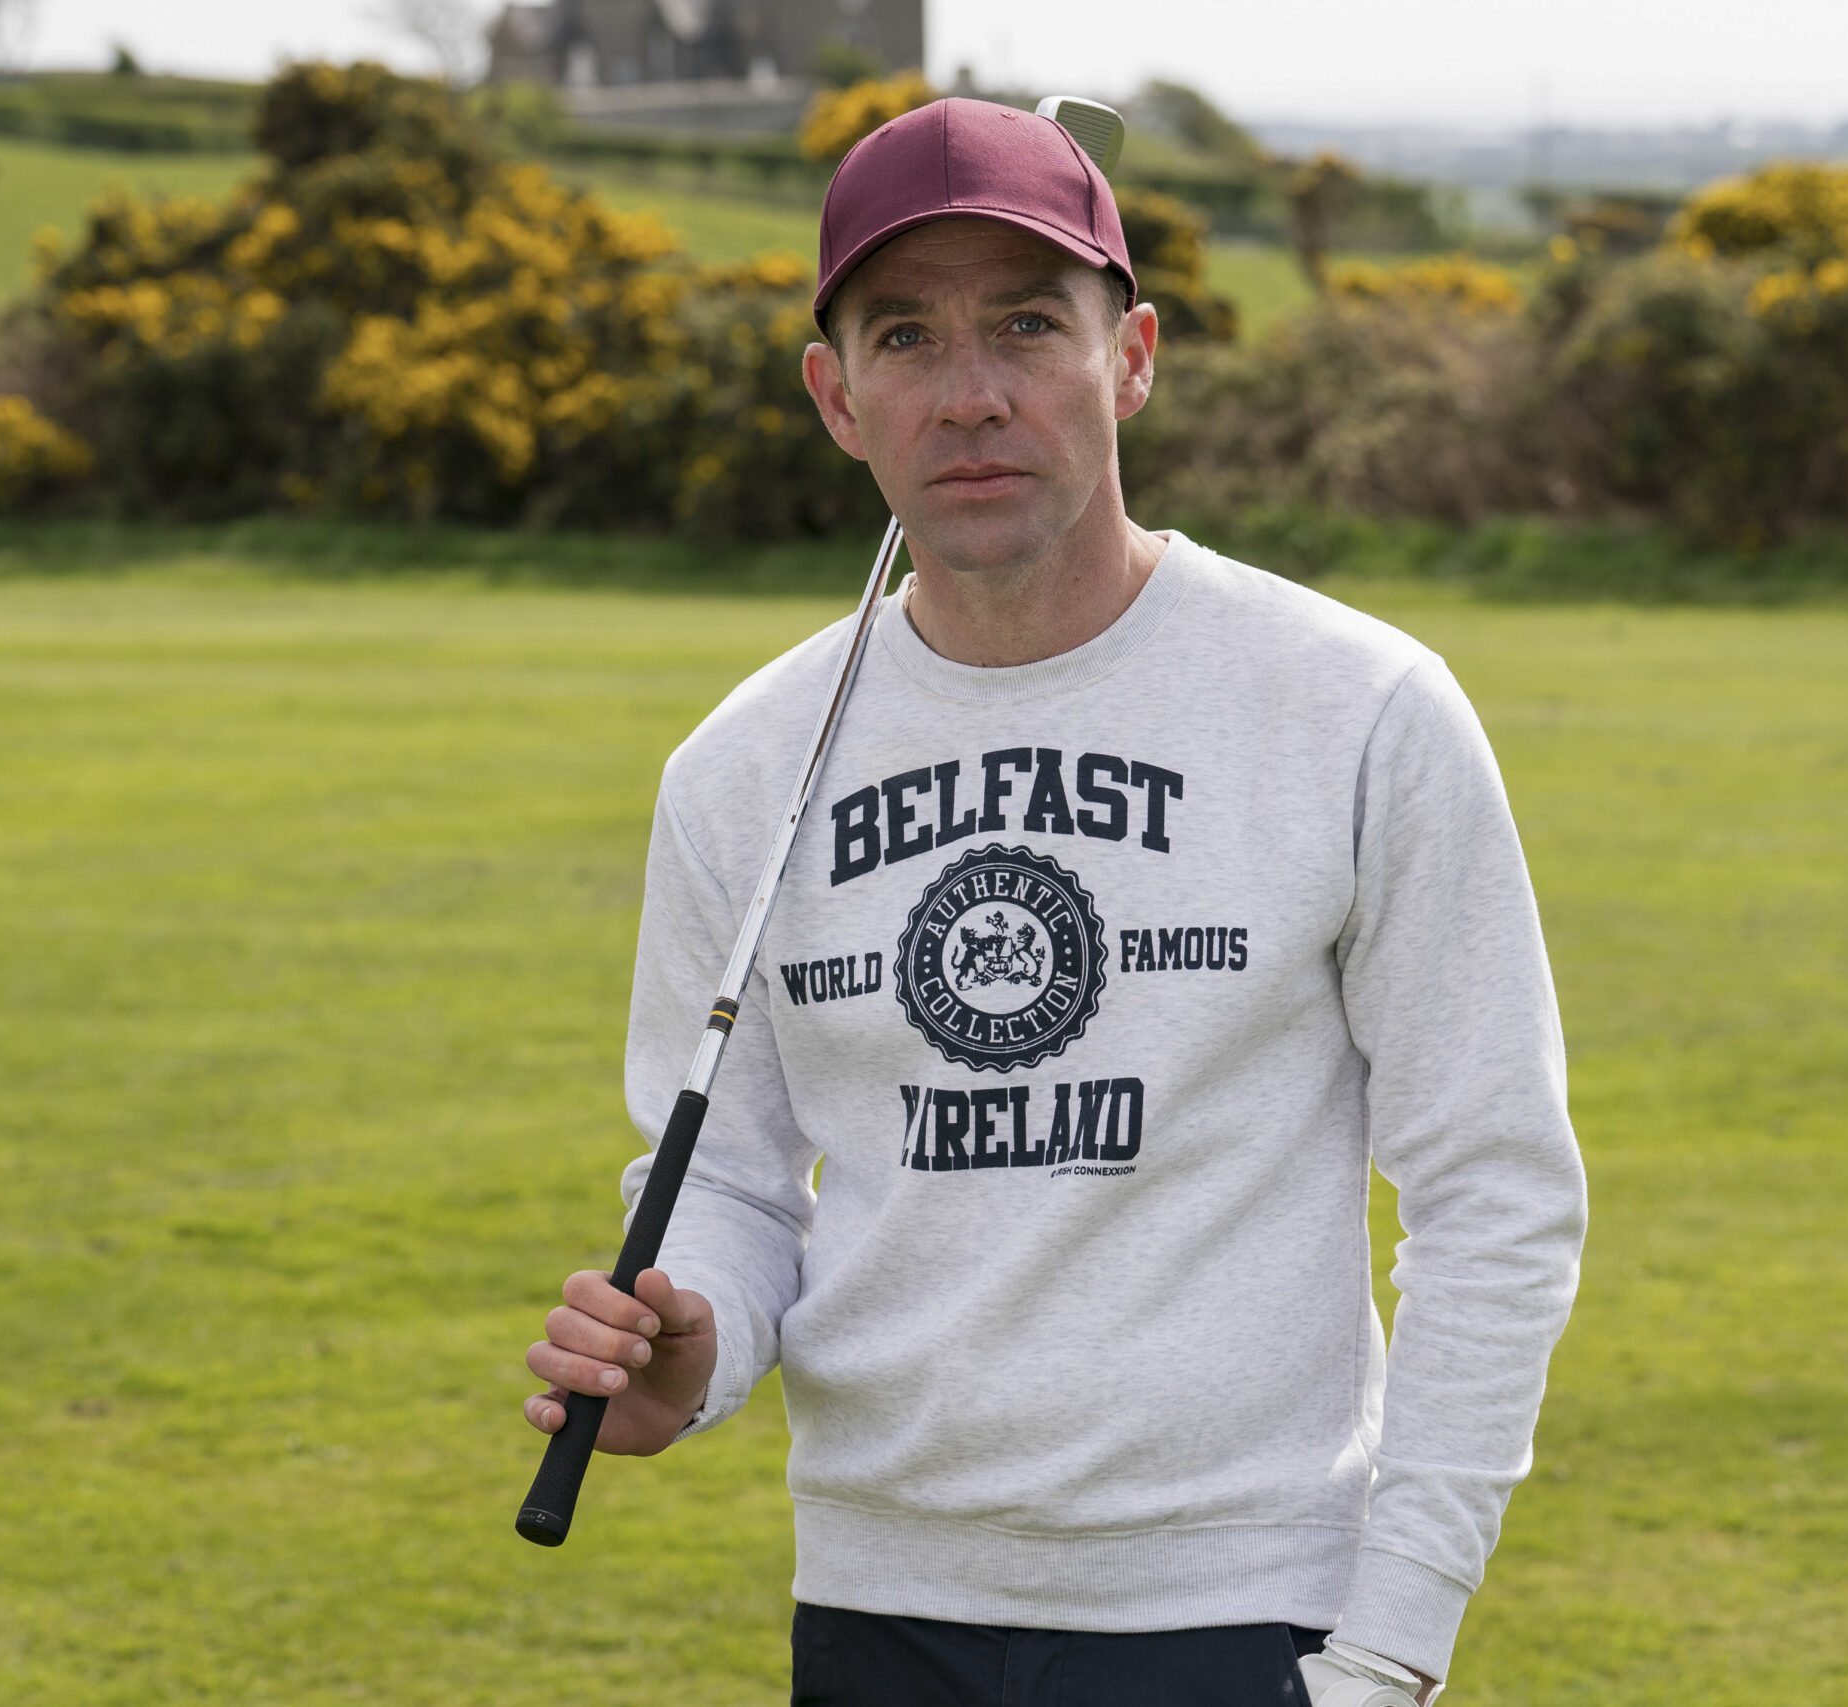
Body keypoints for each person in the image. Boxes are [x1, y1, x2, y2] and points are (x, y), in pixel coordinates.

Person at [523, 97, 1586, 1707]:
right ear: (836, 394)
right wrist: (699, 1341)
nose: (970, 396)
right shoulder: (743, 767)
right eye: (905, 337)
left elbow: (1495, 1194)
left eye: (1028, 325)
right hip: (874, 1613)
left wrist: (1390, 1651)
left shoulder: (1358, 708)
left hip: (1242, 1617)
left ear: (1133, 356)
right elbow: (732, 1188)